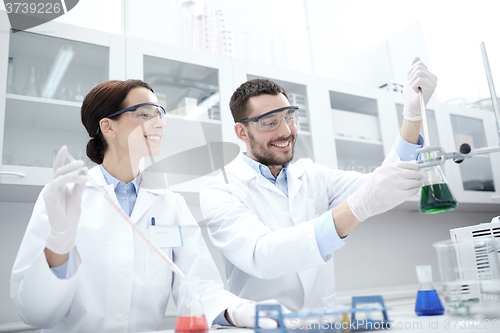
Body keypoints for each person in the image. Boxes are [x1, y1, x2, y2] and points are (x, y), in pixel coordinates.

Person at [10, 80, 282, 332]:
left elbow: (199, 283)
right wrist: (59, 242)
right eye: (145, 114)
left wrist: (239, 310)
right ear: (108, 127)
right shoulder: (63, 197)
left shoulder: (170, 204)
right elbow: (33, 313)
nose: (159, 123)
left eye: (160, 114)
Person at [199, 58, 437, 311]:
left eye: (289, 118)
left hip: (322, 322)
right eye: (269, 123)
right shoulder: (219, 189)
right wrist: (354, 209)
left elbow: (385, 184)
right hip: (263, 326)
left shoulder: (312, 175)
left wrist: (412, 116)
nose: (286, 131)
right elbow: (261, 255)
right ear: (242, 132)